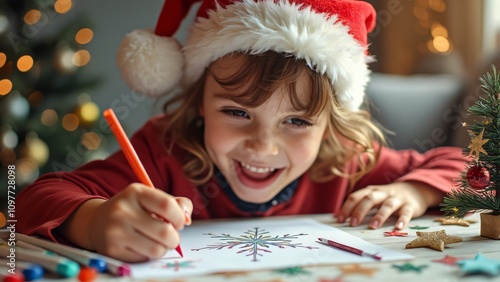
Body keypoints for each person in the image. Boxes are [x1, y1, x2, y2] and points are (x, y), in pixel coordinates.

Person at [17, 0, 467, 263]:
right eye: (237, 113)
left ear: (330, 125)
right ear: (199, 105)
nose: (262, 145)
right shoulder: (162, 151)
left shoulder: (348, 160)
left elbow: (466, 167)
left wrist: (413, 191)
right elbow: (35, 198)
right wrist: (95, 221)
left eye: (296, 121)